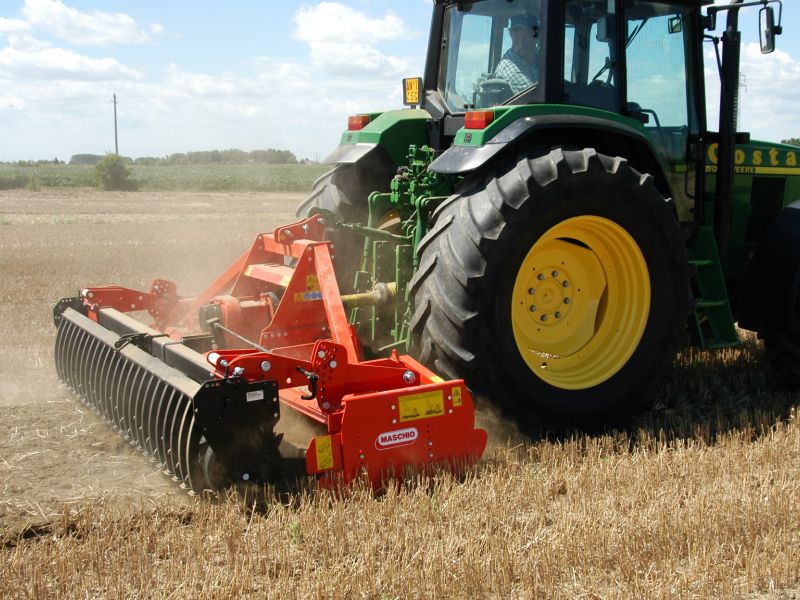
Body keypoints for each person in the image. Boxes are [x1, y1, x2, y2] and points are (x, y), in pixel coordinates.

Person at [493, 13, 540, 95]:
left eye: (525, 36)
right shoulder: (509, 67)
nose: (520, 42)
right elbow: (535, 98)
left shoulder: (537, 60)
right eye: (517, 35)